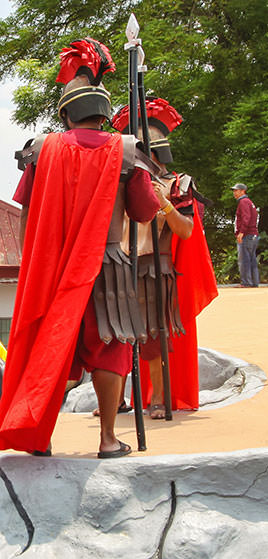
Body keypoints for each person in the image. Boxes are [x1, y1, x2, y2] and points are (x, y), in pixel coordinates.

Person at [0, 38, 160, 459]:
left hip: (53, 268)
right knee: (109, 350)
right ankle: (106, 439)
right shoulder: (126, 152)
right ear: (104, 114)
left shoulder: (42, 150)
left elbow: (27, 212)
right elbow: (143, 213)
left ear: (66, 114)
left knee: (52, 346)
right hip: (109, 267)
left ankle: (39, 435)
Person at [112, 97, 217, 417]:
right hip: (122, 264)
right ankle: (116, 398)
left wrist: (165, 203)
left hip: (155, 268)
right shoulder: (124, 183)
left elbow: (185, 231)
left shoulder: (175, 185)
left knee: (152, 337)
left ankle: (158, 396)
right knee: (116, 334)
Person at [232, 183, 260, 287]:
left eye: (236, 190)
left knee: (244, 259)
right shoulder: (249, 202)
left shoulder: (243, 202)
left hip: (247, 235)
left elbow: (246, 218)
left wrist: (241, 232)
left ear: (242, 191)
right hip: (253, 234)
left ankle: (246, 282)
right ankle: (254, 282)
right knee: (251, 258)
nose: (234, 193)